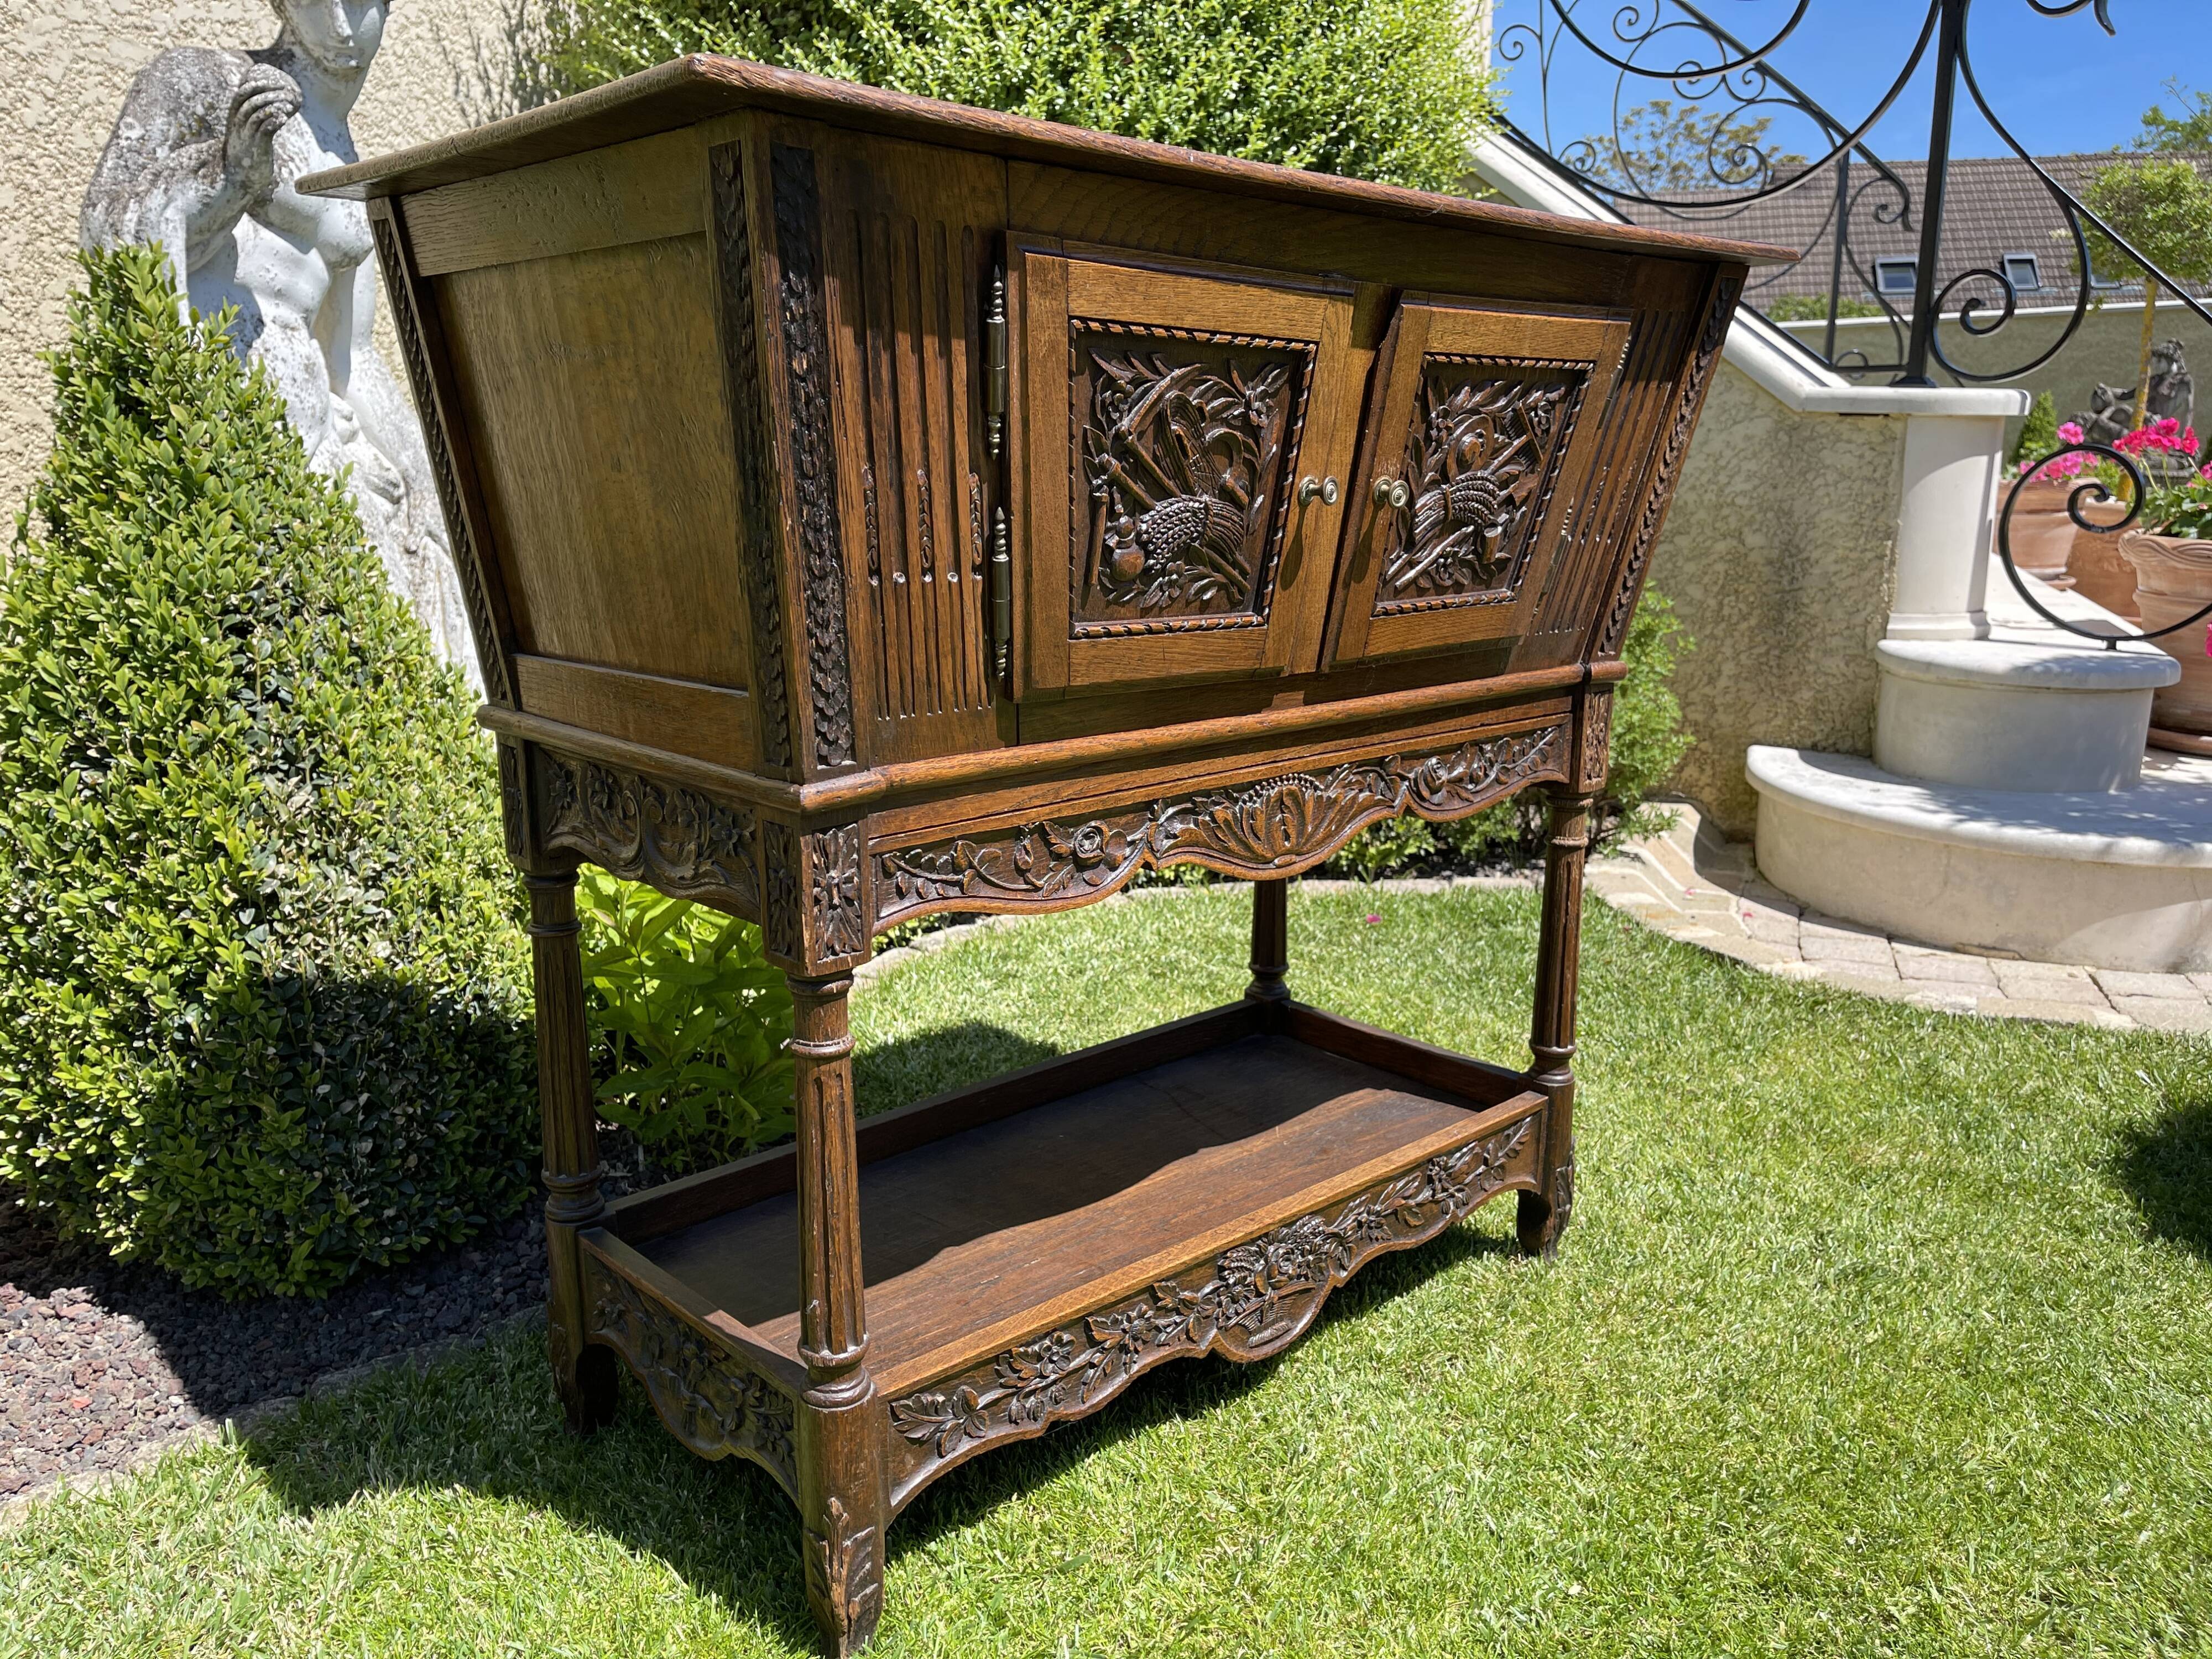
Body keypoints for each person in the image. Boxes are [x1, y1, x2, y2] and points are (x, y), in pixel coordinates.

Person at [82, 0, 478, 687]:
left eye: (360, 3)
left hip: (322, 452)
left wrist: (441, 487)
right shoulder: (205, 81)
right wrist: (228, 179)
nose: (342, 24)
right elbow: (109, 234)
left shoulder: (358, 170)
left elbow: (350, 363)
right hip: (225, 443)